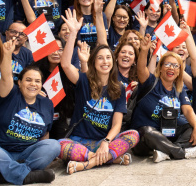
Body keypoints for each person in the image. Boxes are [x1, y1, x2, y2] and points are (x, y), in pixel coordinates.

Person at [58, 10, 139, 174]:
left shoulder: (119, 88)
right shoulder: (83, 81)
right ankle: (108, 158)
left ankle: (87, 163)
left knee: (134, 134)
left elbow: (117, 124)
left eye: (108, 57)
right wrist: (73, 33)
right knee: (58, 146)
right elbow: (66, 64)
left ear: (113, 61)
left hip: (102, 141)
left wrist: (106, 142)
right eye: (100, 58)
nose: (105, 61)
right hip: (79, 141)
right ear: (93, 62)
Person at [0, 39, 58, 185]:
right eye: (28, 80)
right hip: (2, 151)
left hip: (28, 153)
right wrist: (6, 55)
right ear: (19, 82)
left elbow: (45, 134)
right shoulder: (9, 94)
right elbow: (6, 76)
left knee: (54, 146)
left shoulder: (46, 103)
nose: (33, 84)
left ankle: (3, 175)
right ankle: (27, 175)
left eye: (37, 81)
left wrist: (45, 157)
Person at [130, 34, 196, 161]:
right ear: (160, 68)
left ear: (179, 72)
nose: (171, 68)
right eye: (167, 64)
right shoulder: (150, 82)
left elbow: (187, 110)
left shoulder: (179, 89)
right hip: (145, 141)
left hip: (168, 135)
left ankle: (165, 152)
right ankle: (181, 153)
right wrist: (144, 51)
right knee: (147, 131)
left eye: (176, 66)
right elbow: (141, 69)